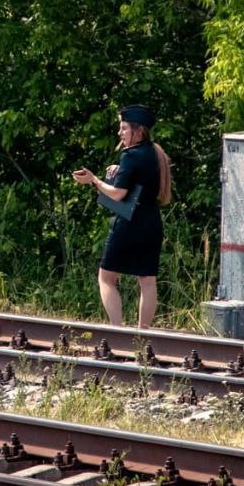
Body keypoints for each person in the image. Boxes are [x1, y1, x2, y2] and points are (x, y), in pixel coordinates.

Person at [71, 105, 172, 328]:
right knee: (147, 280)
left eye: (124, 128)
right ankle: (143, 333)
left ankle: (117, 330)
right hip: (152, 223)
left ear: (138, 130)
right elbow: (141, 177)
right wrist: (120, 170)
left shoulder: (131, 155)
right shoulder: (155, 153)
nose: (120, 133)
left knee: (106, 278)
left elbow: (117, 194)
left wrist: (94, 181)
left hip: (129, 222)